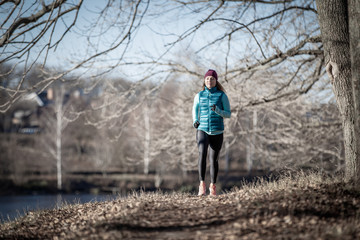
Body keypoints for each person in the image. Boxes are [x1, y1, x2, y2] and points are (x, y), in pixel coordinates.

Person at [192, 69, 231, 196]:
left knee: (213, 159)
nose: (210, 80)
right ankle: (202, 184)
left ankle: (212, 186)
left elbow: (228, 114)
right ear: (205, 80)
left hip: (217, 130)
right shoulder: (199, 95)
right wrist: (195, 120)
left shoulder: (222, 95)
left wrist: (218, 111)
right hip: (202, 129)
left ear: (216, 81)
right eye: (208, 78)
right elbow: (195, 109)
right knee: (202, 154)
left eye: (212, 79)